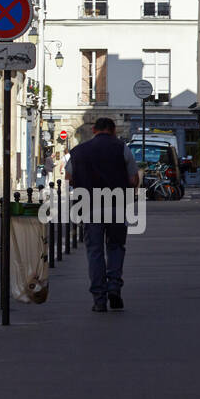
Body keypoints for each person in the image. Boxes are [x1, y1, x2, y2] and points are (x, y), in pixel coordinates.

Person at [65, 117, 139, 313]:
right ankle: (114, 287)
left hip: (89, 206)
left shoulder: (79, 150)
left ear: (94, 130)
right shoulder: (122, 148)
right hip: (117, 205)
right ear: (112, 130)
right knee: (116, 247)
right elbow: (133, 178)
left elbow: (69, 177)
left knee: (95, 251)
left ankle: (99, 298)